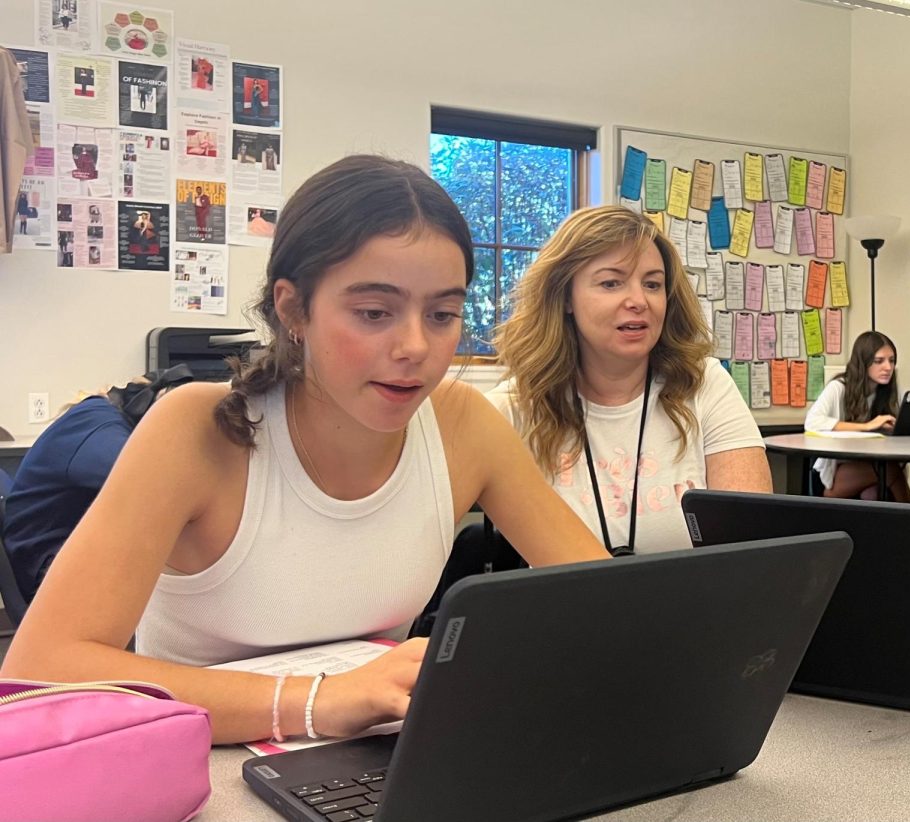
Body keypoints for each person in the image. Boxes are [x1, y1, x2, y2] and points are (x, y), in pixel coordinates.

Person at [1, 155, 609, 744]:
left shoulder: (462, 423)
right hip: (204, 773)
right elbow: (43, 668)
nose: (416, 346)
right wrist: (317, 700)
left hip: (377, 764)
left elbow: (609, 601)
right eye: (374, 312)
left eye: (444, 314)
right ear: (294, 308)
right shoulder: (197, 429)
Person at [487, 205, 772, 556]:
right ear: (565, 298)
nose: (639, 301)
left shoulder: (705, 383)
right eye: (611, 283)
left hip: (697, 606)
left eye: (652, 284)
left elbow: (751, 548)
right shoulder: (515, 407)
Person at [2, 366, 195, 604]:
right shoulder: (98, 426)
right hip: (52, 577)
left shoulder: (97, 415)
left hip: (59, 557)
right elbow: (153, 483)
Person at [804, 330, 910, 502]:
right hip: (833, 475)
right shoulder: (839, 387)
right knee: (890, 470)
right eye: (879, 361)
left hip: (870, 464)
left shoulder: (886, 391)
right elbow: (812, 422)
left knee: (880, 485)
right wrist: (867, 426)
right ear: (864, 363)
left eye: (892, 361)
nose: (888, 367)